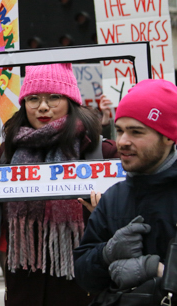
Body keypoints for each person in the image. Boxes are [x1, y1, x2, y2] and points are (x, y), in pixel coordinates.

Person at [0, 63, 119, 306]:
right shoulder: (8, 153)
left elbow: (128, 226)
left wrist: (102, 215)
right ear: (24, 103)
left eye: (54, 97)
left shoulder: (101, 152)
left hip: (85, 295)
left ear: (71, 101)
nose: (43, 107)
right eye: (33, 98)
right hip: (24, 295)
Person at [74, 79, 177, 295]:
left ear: (168, 136)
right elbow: (82, 276)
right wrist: (105, 254)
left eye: (136, 132)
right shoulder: (113, 198)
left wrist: (158, 271)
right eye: (120, 130)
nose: (122, 141)